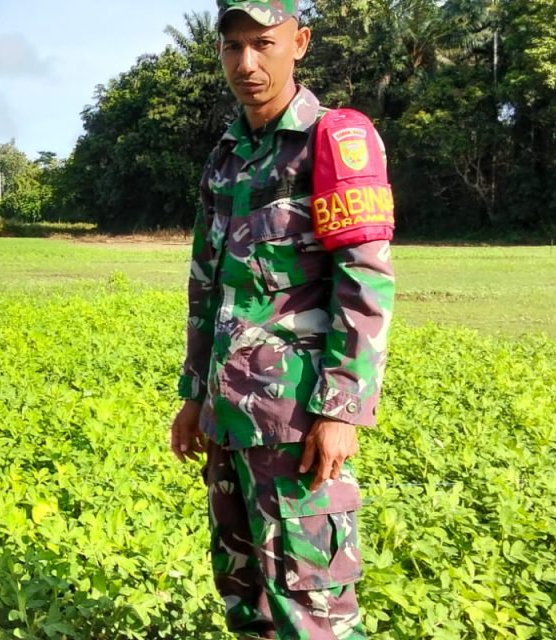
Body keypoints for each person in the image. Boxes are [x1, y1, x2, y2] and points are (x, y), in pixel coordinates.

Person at [169, 2, 396, 638]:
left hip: (296, 425)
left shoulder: (334, 140)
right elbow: (205, 286)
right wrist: (194, 397)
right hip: (227, 419)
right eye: (232, 46)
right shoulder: (225, 154)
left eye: (263, 44)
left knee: (314, 606)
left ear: (299, 42)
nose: (246, 63)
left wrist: (341, 409)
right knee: (247, 603)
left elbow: (365, 280)